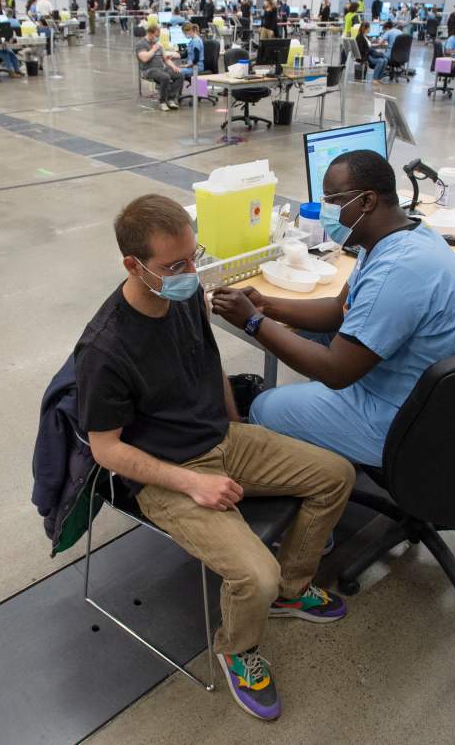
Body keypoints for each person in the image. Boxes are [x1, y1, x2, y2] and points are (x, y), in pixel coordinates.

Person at [78, 194, 354, 722]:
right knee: (256, 573)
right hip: (168, 474)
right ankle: (236, 648)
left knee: (335, 476)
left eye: (193, 256)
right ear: (132, 266)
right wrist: (192, 484)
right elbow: (106, 449)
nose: (189, 272)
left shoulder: (184, 298)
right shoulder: (105, 350)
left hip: (221, 437)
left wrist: (238, 427)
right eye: (174, 265)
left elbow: (211, 364)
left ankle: (293, 591)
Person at [210, 150, 455, 468]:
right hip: (443, 398)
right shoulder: (397, 236)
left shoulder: (398, 267)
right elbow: (337, 309)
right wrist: (265, 305)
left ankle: (321, 471)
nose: (326, 209)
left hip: (420, 423)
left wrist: (253, 321)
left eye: (333, 199)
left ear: (367, 201)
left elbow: (336, 372)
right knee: (313, 336)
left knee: (267, 407)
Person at [135, 22, 183, 111]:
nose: (157, 38)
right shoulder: (141, 44)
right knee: (165, 77)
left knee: (179, 75)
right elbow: (144, 58)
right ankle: (162, 101)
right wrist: (154, 48)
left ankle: (171, 98)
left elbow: (165, 59)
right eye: (156, 35)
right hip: (149, 70)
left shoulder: (157, 43)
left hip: (161, 68)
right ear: (150, 33)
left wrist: (173, 66)